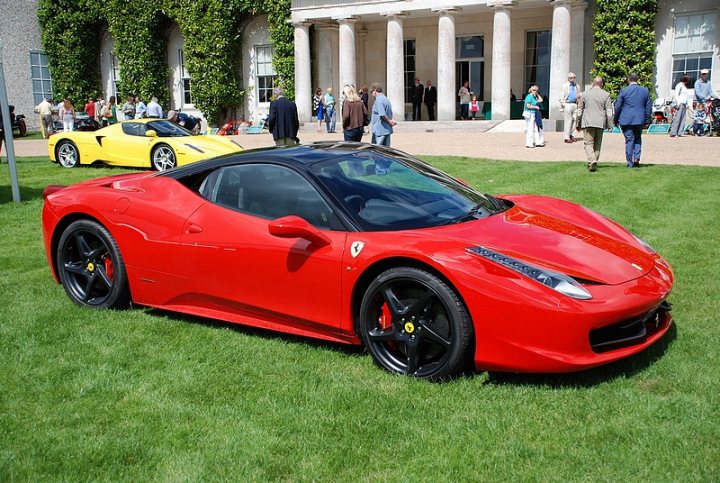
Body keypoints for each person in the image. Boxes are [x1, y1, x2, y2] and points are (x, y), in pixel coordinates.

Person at [575, 76, 613, 172]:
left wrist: (577, 123)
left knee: (588, 143)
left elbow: (579, 110)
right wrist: (610, 124)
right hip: (600, 122)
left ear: (593, 83)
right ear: (602, 84)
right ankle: (594, 160)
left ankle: (592, 160)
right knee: (597, 144)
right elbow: (609, 111)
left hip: (588, 121)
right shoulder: (606, 94)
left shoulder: (584, 94)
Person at [614, 72, 652, 168]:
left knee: (629, 140)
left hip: (626, 119)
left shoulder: (624, 91)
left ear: (628, 79)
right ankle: (637, 158)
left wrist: (615, 118)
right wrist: (647, 119)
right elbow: (648, 107)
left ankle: (630, 162)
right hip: (639, 118)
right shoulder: (645, 90)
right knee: (638, 138)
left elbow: (617, 107)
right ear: (637, 79)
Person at [560, 72, 581, 143]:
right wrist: (563, 104)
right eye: (571, 77)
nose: (573, 79)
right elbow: (561, 96)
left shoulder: (577, 86)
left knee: (575, 120)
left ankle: (572, 135)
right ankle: (566, 137)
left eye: (574, 77)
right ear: (568, 78)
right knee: (568, 121)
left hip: (575, 104)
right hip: (568, 103)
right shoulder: (564, 86)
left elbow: (578, 94)